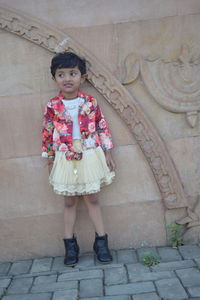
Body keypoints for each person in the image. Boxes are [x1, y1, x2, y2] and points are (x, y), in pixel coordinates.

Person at [42, 51, 115, 267]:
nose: (67, 79)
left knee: (92, 198)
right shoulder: (52, 106)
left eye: (72, 73)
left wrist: (108, 152)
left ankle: (101, 242)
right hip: (65, 156)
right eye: (61, 74)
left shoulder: (91, 102)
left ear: (82, 77)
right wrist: (50, 158)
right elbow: (47, 133)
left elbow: (101, 125)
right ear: (54, 78)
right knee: (69, 201)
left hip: (90, 153)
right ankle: (70, 244)